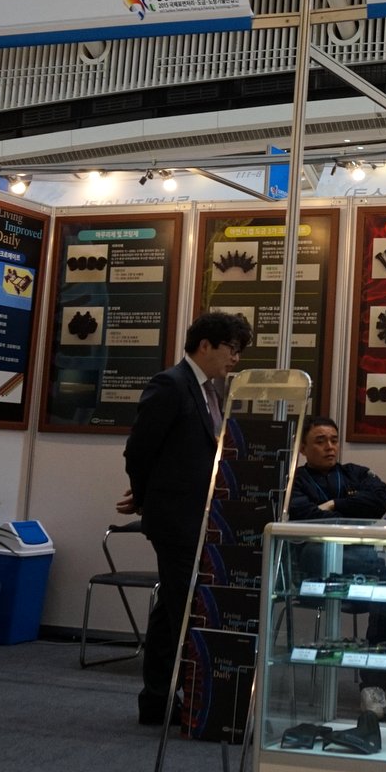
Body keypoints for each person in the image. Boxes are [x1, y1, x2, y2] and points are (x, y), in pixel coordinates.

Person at [120, 310, 251, 727]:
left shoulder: (211, 391)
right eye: (232, 349)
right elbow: (139, 450)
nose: (236, 359)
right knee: (184, 609)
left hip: (199, 516)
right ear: (205, 345)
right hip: (176, 518)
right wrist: (145, 498)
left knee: (171, 610)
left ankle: (156, 700)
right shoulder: (171, 384)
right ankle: (192, 699)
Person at [287, 415, 386, 717]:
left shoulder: (353, 473)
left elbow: (379, 500)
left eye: (334, 440)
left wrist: (335, 505)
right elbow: (305, 516)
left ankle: (373, 686)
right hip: (313, 572)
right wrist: (352, 512)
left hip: (359, 572)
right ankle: (384, 573)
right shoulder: (294, 481)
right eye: (320, 441)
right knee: (377, 572)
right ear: (303, 448)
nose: (330, 447)